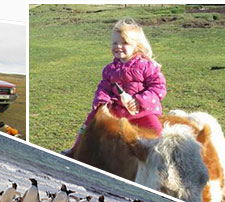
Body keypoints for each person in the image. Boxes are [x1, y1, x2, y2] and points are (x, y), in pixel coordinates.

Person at [63, 17, 167, 156]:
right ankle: (75, 149)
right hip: (116, 110)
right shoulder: (110, 69)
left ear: (137, 46)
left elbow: (158, 87)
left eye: (124, 42)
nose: (118, 46)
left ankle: (163, 156)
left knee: (157, 133)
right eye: (115, 43)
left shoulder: (146, 66)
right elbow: (104, 87)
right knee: (90, 122)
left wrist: (140, 101)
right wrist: (102, 101)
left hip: (142, 112)